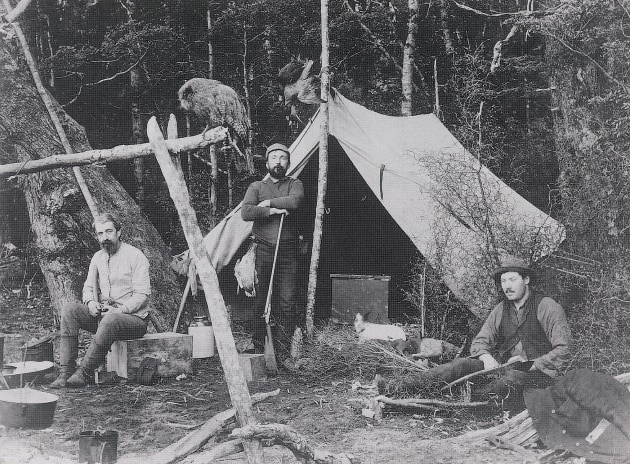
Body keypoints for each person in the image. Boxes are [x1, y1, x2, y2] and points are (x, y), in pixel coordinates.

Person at [383, 255, 571, 409]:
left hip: (537, 375)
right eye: (503, 281)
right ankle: (396, 387)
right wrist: (486, 358)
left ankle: (459, 402)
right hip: (502, 369)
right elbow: (481, 341)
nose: (507, 286)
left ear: (526, 280)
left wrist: (531, 364)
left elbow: (564, 349)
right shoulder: (501, 309)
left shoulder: (547, 306)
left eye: (512, 279)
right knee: (460, 365)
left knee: (510, 381)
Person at [49, 213, 151, 388]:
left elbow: (142, 295)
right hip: (105, 318)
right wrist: (90, 303)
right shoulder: (97, 258)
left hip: (133, 321)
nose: (105, 237)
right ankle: (66, 372)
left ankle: (85, 372)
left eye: (109, 232)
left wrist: (120, 310)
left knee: (111, 319)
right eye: (100, 234)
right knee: (70, 310)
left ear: (119, 232)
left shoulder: (136, 256)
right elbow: (88, 288)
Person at [241, 143, 304, 357]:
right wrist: (274, 210)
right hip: (263, 251)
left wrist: (268, 202)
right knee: (261, 301)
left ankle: (284, 350)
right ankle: (259, 348)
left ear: (288, 162)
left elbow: (295, 202)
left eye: (283, 158)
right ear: (267, 162)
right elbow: (246, 212)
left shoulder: (295, 184)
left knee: (287, 301)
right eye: (274, 157)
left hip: (288, 252)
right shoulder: (256, 187)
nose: (278, 161)